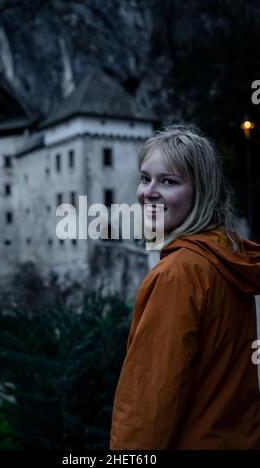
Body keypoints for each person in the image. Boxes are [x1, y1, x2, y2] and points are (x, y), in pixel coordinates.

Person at [110, 125, 260, 450]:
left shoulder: (178, 274)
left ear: (201, 192)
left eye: (169, 181)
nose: (148, 192)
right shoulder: (227, 257)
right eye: (144, 178)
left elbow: (148, 405)